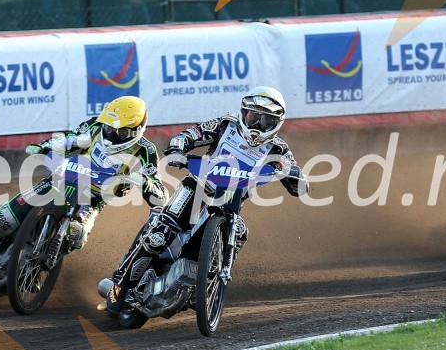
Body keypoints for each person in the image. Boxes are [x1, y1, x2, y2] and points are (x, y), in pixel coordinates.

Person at [103, 87, 309, 313]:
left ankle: (208, 282)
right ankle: (120, 284)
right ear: (243, 113)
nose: (257, 125)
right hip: (197, 187)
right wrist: (177, 150)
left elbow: (295, 175)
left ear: (277, 123)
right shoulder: (225, 125)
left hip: (231, 203)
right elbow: (190, 134)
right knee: (159, 236)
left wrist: (296, 178)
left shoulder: (278, 148)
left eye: (265, 120)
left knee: (240, 232)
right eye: (254, 117)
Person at [0, 96, 169, 293]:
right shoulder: (96, 127)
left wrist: (146, 184)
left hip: (91, 199)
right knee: (0, 220)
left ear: (135, 130)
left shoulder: (145, 151)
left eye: (117, 130)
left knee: (76, 236)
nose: (110, 132)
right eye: (108, 126)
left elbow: (158, 191)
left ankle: (35, 269)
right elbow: (69, 139)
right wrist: (46, 146)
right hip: (57, 183)